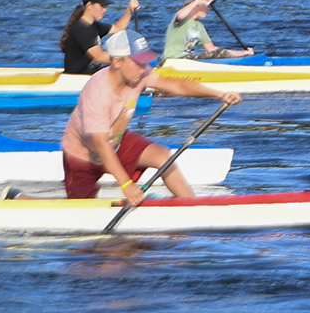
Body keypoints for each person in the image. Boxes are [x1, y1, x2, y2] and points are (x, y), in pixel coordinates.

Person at [59, 28, 242, 202]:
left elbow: (177, 85)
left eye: (145, 61)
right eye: (138, 62)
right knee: (82, 207)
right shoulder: (98, 92)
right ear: (117, 62)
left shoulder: (140, 75)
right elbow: (100, 144)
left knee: (162, 156)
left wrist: (220, 94)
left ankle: (191, 204)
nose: (144, 67)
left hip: (115, 141)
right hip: (81, 156)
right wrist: (127, 185)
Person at [60, 0, 139, 75]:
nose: (105, 10)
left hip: (91, 73)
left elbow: (119, 28)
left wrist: (129, 10)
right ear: (90, 5)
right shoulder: (82, 28)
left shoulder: (94, 25)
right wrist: (128, 58)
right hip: (78, 77)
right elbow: (99, 56)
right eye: (102, 6)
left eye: (105, 6)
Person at [162, 0, 253, 60]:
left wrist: (243, 53)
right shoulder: (182, 18)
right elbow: (180, 15)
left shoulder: (199, 26)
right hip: (173, 59)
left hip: (189, 60)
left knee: (219, 53)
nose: (208, 8)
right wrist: (199, 0)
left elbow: (211, 49)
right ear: (195, 5)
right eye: (206, 5)